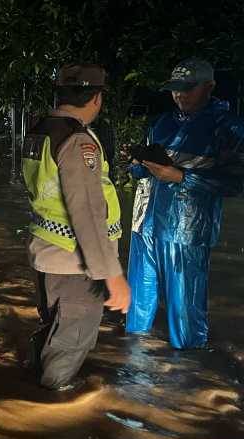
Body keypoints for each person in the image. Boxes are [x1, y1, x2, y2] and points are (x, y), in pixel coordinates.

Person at [22, 64, 130, 391]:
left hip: (46, 258)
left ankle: (28, 387)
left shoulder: (40, 129)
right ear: (96, 98)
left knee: (54, 329)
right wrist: (113, 276)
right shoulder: (77, 140)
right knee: (71, 343)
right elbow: (88, 214)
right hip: (75, 265)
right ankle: (49, 419)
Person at [126, 58, 244, 349]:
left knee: (185, 308)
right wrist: (136, 163)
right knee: (137, 305)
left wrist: (181, 177)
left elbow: (235, 183)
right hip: (144, 224)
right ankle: (130, 367)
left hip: (186, 231)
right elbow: (144, 171)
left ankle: (189, 368)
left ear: (210, 86)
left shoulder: (227, 127)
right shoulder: (163, 122)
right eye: (175, 89)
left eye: (187, 89)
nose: (180, 95)